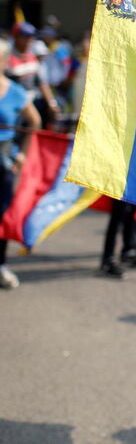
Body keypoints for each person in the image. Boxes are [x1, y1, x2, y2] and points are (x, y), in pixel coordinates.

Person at [0, 41, 41, 289]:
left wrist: (22, 155)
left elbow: (34, 121)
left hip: (4, 162)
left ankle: (0, 264)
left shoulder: (15, 91)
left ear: (5, 61)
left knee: (2, 214)